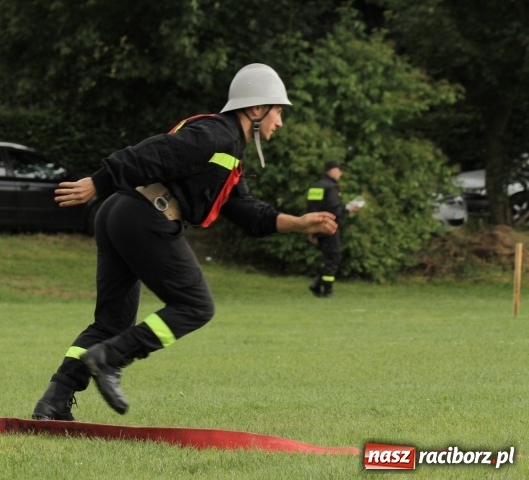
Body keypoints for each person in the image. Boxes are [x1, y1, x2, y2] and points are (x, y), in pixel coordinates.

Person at [31, 63, 339, 420]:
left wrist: (299, 224)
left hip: (122, 213)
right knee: (195, 306)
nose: (280, 122)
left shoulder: (229, 152)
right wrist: (99, 181)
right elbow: (156, 152)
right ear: (257, 110)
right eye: (278, 112)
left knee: (111, 324)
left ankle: (53, 401)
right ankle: (110, 358)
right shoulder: (216, 134)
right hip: (143, 215)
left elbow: (246, 211)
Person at [306, 160, 360, 298]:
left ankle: (317, 284)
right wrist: (349, 209)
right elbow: (335, 210)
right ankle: (327, 290)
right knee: (333, 258)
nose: (340, 173)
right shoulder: (330, 187)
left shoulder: (315, 187)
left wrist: (311, 231)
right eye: (339, 170)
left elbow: (311, 210)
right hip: (330, 227)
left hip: (317, 226)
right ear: (332, 170)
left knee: (328, 258)